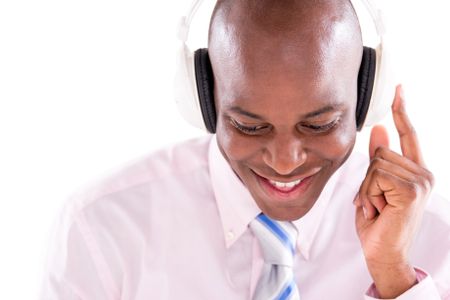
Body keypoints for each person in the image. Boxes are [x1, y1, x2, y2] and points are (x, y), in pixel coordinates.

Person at [40, 0, 450, 299]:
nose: (285, 160)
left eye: (320, 124)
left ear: (366, 100)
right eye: (249, 126)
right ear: (202, 99)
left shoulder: (433, 239)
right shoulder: (102, 227)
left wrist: (395, 278)